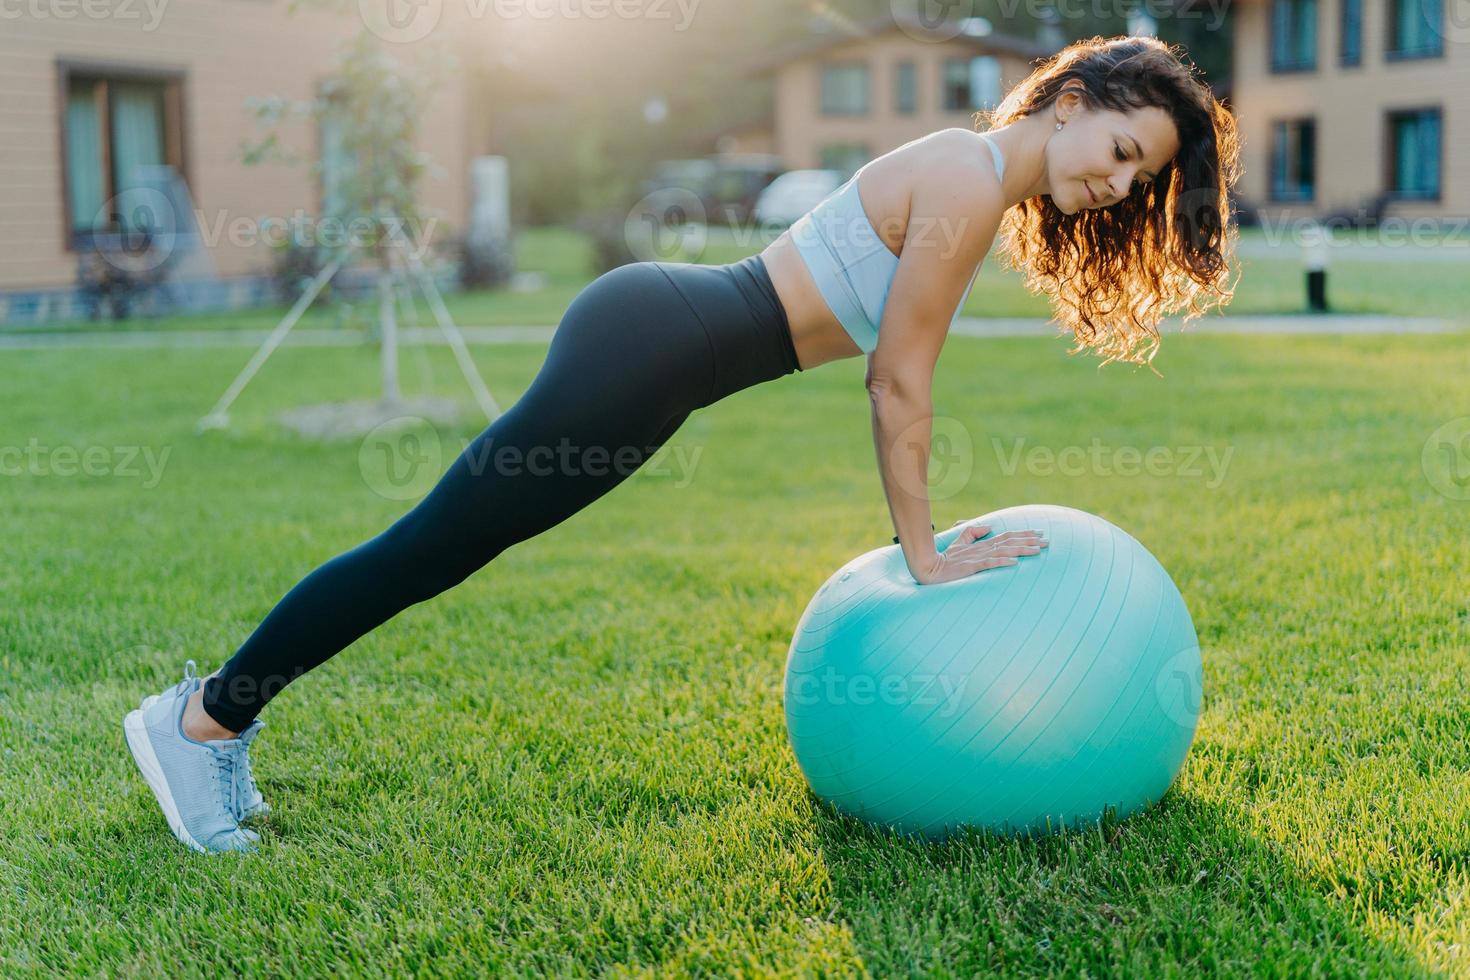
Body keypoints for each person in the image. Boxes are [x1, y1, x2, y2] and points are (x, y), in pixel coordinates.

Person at [124, 35, 1240, 853]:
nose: (1120, 183)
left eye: (1140, 177)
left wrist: (925, 548)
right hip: (655, 345)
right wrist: (927, 556)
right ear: (1075, 99)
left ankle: (213, 714)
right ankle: (201, 717)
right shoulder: (964, 178)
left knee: (443, 546)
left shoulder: (972, 173)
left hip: (659, 348)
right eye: (1123, 147)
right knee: (431, 546)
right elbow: (897, 377)